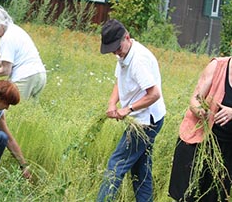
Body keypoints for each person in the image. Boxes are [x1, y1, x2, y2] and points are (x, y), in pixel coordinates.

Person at [96, 19, 166, 202]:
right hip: (142, 118)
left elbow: (154, 94)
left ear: (126, 37)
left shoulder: (139, 60)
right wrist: (112, 104)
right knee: (141, 169)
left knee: (116, 164)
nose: (115, 52)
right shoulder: (123, 55)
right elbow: (119, 82)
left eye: (117, 48)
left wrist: (128, 109)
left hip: (146, 121)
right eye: (112, 50)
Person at [168, 57, 232, 201]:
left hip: (226, 152)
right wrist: (200, 111)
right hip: (198, 142)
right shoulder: (217, 66)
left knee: (215, 197)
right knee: (187, 195)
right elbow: (195, 99)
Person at [0, 6, 47, 100]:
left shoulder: (7, 38)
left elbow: (6, 70)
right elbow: (6, 60)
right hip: (39, 75)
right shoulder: (15, 30)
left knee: (11, 108)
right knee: (29, 109)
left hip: (25, 77)